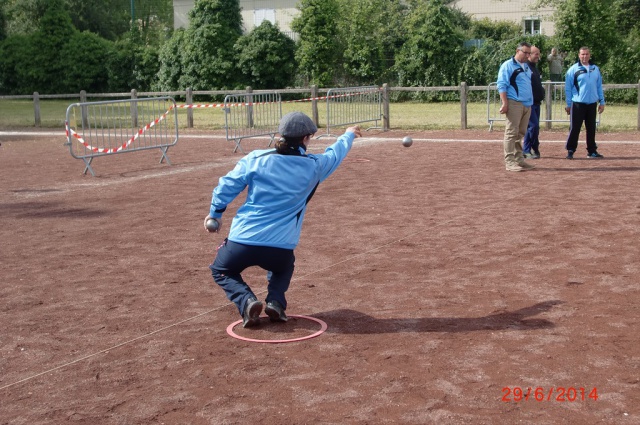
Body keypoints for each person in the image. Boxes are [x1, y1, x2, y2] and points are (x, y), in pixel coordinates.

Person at [205, 112, 361, 328]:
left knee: (221, 269)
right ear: (306, 138)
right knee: (283, 268)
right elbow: (335, 154)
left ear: (281, 134)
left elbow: (227, 185)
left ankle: (246, 301)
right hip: (280, 248)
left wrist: (215, 213)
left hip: (242, 242)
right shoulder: (315, 165)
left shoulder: (255, 158)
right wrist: (348, 135)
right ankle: (275, 302)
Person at [497, 42, 535, 172]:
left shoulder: (526, 66)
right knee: (511, 132)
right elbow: (502, 84)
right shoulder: (508, 65)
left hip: (526, 104)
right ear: (517, 51)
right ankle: (509, 161)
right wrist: (505, 103)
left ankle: (519, 159)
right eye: (525, 52)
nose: (527, 55)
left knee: (521, 133)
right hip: (514, 103)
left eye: (529, 53)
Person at [564, 46, 605, 159]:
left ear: (589, 55)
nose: (585, 56)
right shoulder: (573, 69)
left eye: (586, 54)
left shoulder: (595, 69)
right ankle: (571, 150)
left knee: (591, 128)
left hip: (592, 104)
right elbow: (568, 88)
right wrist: (568, 104)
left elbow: (599, 86)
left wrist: (602, 101)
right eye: (582, 54)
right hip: (578, 103)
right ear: (579, 55)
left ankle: (592, 151)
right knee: (575, 128)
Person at [523, 46, 545, 159]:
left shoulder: (535, 68)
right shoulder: (525, 67)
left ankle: (529, 150)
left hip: (536, 102)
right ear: (529, 54)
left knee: (532, 128)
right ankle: (532, 148)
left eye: (538, 54)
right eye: (536, 54)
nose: (538, 56)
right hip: (529, 103)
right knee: (533, 126)